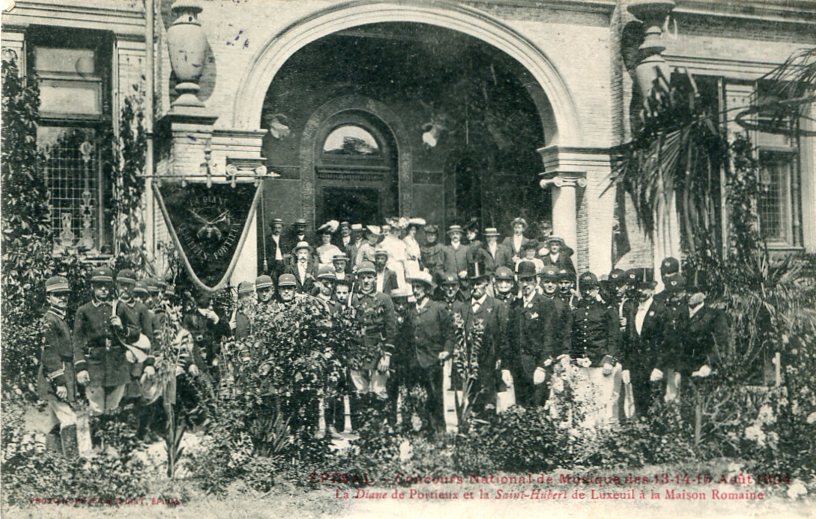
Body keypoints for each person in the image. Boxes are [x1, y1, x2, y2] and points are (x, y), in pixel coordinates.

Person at [450, 261, 509, 417]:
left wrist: (501, 360)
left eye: (479, 283)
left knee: (488, 404)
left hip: (489, 364)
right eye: (472, 283)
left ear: (487, 283)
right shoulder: (463, 307)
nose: (475, 287)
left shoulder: (497, 306)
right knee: (470, 403)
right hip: (468, 366)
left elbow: (503, 336)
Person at [73, 267, 132, 417]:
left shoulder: (120, 308)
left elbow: (135, 332)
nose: (104, 289)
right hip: (95, 365)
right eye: (99, 286)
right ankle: (98, 439)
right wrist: (81, 367)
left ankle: (112, 439)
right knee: (96, 409)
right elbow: (77, 341)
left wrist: (122, 327)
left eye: (107, 286)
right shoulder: (84, 310)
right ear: (93, 287)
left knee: (113, 408)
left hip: (117, 364)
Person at [39, 276, 85, 457]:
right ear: (48, 297)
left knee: (53, 420)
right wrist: (59, 381)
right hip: (55, 375)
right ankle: (72, 464)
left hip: (65, 370)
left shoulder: (60, 318)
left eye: (65, 295)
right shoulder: (50, 320)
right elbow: (49, 353)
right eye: (57, 295)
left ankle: (52, 462)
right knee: (69, 418)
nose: (63, 298)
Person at [349, 261, 397, 427]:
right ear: (358, 279)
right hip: (357, 351)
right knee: (359, 390)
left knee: (378, 390)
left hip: (379, 351)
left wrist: (387, 356)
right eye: (363, 277)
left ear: (375, 279)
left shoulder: (384, 299)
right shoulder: (352, 299)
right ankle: (361, 428)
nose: (367, 281)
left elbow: (391, 329)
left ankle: (379, 427)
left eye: (370, 277)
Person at [571, 272, 622, 427]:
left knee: (603, 406)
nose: (587, 293)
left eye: (591, 289)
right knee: (583, 406)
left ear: (597, 289)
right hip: (582, 365)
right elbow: (573, 338)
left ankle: (604, 442)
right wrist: (574, 359)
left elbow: (614, 338)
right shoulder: (576, 312)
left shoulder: (606, 310)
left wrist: (609, 360)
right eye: (584, 289)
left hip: (600, 364)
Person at [406, 270, 453, 434]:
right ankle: (421, 430)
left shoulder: (438, 309)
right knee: (417, 398)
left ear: (426, 289)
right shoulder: (410, 311)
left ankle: (439, 432)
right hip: (414, 363)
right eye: (414, 287)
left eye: (419, 287)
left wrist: (446, 351)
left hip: (432, 362)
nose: (415, 290)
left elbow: (450, 335)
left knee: (435, 397)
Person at [505, 261, 557, 408]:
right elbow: (509, 338)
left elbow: (550, 337)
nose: (525, 284)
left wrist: (542, 366)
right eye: (522, 280)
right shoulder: (515, 305)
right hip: (518, 367)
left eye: (529, 280)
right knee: (522, 410)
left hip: (537, 366)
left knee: (538, 410)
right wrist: (507, 366)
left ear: (535, 281)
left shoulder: (545, 304)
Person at [620, 268, 661, 417]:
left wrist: (659, 367)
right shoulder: (633, 309)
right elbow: (627, 341)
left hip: (653, 367)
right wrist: (626, 367)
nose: (641, 292)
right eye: (639, 288)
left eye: (645, 288)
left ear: (652, 290)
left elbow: (666, 341)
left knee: (655, 408)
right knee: (639, 408)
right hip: (636, 368)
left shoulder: (661, 310)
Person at [651, 273, 688, 402]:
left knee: (682, 393)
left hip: (684, 358)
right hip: (668, 357)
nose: (675, 296)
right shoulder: (666, 310)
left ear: (684, 292)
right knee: (670, 394)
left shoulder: (688, 310)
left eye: (678, 292)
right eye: (672, 293)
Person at [685, 273, 729, 382]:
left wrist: (709, 364)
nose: (689, 295)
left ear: (704, 294)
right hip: (682, 370)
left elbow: (721, 343)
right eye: (687, 291)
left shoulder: (714, 315)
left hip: (703, 370)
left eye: (694, 292)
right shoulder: (680, 314)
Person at [540, 267, 572, 362]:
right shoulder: (536, 302)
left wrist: (565, 352)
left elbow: (567, 330)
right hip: (539, 352)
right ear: (541, 283)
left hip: (556, 353)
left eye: (553, 282)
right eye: (547, 282)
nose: (550, 285)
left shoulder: (563, 304)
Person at [263, 217, 287, 282]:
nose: (277, 230)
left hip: (282, 263)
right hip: (272, 264)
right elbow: (264, 253)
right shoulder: (267, 239)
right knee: (273, 280)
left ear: (281, 229)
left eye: (279, 228)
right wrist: (265, 263)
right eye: (275, 228)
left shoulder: (284, 239)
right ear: (272, 228)